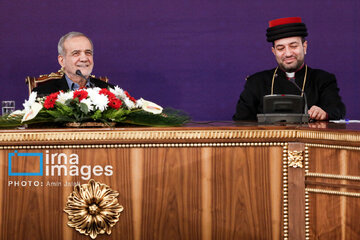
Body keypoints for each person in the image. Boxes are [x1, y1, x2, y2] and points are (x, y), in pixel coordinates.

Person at [233, 17, 346, 121]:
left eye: (293, 46)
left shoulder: (323, 79)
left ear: (304, 47)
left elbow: (337, 110)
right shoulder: (256, 82)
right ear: (274, 52)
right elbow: (240, 120)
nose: (287, 53)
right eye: (281, 48)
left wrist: (324, 113)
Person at [32, 32, 113, 96]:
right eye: (76, 53)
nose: (84, 59)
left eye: (88, 53)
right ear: (62, 61)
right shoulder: (43, 94)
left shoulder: (110, 92)